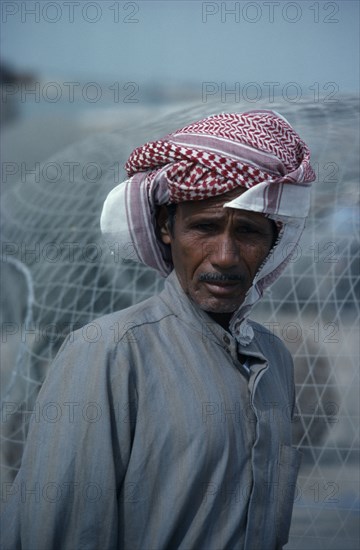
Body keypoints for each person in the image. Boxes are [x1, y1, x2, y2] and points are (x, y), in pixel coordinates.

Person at [0, 110, 316, 549]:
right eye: (204, 227)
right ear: (167, 229)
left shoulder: (274, 359)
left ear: (273, 243)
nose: (225, 256)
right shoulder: (109, 351)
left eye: (247, 232)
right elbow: (58, 530)